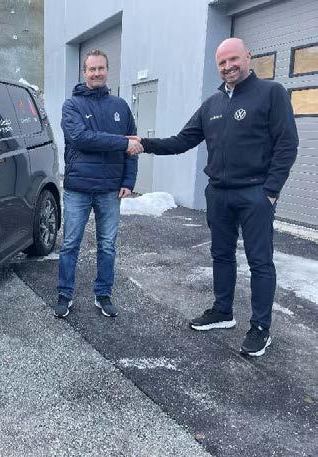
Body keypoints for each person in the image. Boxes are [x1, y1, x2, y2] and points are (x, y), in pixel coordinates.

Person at [127, 38, 298, 356]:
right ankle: (223, 311)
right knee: (221, 255)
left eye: (233, 59)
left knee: (260, 261)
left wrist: (271, 191)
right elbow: (182, 141)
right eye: (222, 62)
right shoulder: (212, 105)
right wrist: (145, 144)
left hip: (255, 193)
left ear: (248, 57)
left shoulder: (271, 93)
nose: (228, 66)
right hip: (219, 193)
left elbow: (287, 143)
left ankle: (261, 328)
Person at [54, 49, 141, 319]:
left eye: (101, 68)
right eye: (92, 69)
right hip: (78, 189)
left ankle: (103, 294)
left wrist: (129, 180)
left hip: (110, 189)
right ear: (84, 72)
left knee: (107, 245)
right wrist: (121, 142)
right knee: (70, 244)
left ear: (107, 70)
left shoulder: (121, 107)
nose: (97, 73)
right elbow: (82, 139)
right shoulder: (72, 105)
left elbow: (133, 146)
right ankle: (64, 294)